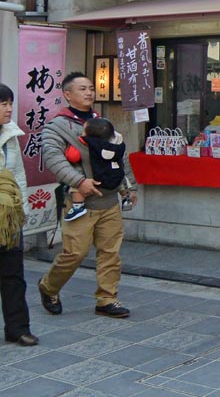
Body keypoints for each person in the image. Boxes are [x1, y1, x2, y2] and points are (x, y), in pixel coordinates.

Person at [38, 72, 138, 319]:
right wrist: (79, 181)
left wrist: (129, 186)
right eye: (82, 89)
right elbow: (53, 158)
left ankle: (107, 298)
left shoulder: (102, 123)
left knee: (110, 252)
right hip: (79, 202)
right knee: (75, 252)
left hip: (109, 200)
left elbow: (119, 155)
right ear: (67, 94)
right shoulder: (57, 126)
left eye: (91, 88)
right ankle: (49, 286)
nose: (89, 93)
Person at [0, 84, 38, 346]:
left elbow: (20, 175)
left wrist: (21, 209)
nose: (10, 108)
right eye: (3, 104)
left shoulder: (11, 135)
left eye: (10, 103)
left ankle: (18, 328)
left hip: (10, 217)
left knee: (13, 274)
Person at [63, 118, 132, 221]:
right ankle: (126, 198)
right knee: (120, 178)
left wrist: (70, 148)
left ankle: (78, 206)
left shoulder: (86, 143)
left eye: (84, 130)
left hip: (94, 178)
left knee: (77, 182)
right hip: (113, 175)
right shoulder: (117, 145)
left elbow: (73, 157)